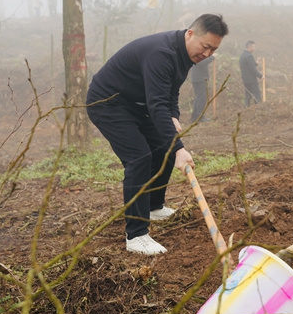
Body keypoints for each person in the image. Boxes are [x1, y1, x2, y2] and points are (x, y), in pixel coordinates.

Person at [86, 13, 229, 255]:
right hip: (107, 102)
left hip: (135, 104)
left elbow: (170, 94)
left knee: (162, 148)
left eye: (213, 50)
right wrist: (179, 149)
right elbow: (156, 105)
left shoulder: (185, 56)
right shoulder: (161, 54)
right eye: (205, 47)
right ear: (191, 34)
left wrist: (173, 116)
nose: (206, 54)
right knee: (139, 157)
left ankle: (153, 206)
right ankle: (136, 236)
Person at [190, 54, 216, 122]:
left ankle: (195, 116)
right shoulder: (198, 56)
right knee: (201, 98)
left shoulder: (196, 54)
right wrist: (212, 57)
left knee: (198, 98)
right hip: (200, 79)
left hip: (197, 79)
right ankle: (200, 117)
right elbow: (202, 63)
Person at [239, 41, 263, 107]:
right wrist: (261, 76)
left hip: (245, 80)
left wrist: (256, 63)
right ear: (250, 47)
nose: (255, 48)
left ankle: (246, 109)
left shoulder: (243, 55)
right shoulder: (249, 56)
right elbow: (252, 69)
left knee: (248, 96)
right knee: (257, 95)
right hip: (252, 80)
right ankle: (258, 109)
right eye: (254, 47)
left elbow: (248, 66)